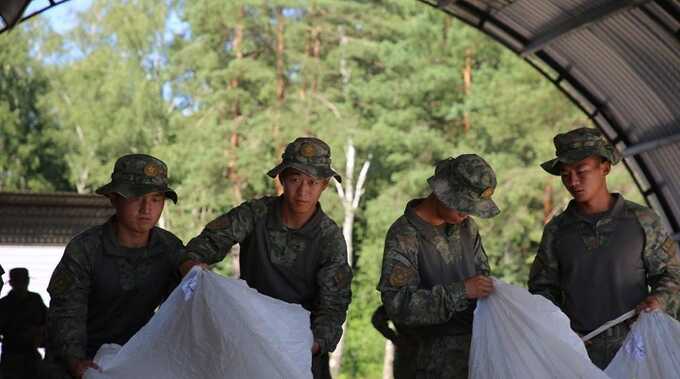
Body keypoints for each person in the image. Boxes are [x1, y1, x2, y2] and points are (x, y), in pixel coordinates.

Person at [180, 137, 352, 379]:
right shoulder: (255, 214)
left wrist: (312, 344)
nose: (303, 191)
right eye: (295, 180)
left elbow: (333, 305)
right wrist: (193, 268)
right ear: (282, 179)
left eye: (312, 182)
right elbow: (203, 247)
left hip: (300, 349)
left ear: (324, 185)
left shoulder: (329, 237)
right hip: (248, 338)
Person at [529, 127, 680, 369]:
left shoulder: (642, 220)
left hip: (636, 352)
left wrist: (658, 301)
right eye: (566, 174)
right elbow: (542, 290)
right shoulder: (557, 230)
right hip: (579, 355)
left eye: (581, 171)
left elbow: (671, 274)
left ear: (605, 167)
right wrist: (560, 330)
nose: (573, 181)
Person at [46, 154, 189, 379]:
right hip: (76, 364)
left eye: (156, 199)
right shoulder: (85, 249)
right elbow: (66, 313)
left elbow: (188, 301)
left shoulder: (170, 248)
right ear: (114, 198)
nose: (146, 209)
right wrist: (76, 363)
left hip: (131, 363)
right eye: (136, 197)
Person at [377, 154, 499, 378]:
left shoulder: (466, 228)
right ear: (442, 192)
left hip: (472, 360)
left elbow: (483, 280)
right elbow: (398, 305)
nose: (465, 214)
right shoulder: (404, 235)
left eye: (471, 209)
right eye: (461, 206)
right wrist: (461, 291)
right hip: (424, 365)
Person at [0, 268, 48, 379]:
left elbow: (48, 321)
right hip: (11, 357)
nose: (21, 285)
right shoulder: (4, 304)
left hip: (31, 355)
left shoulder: (35, 300)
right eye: (18, 282)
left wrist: (39, 333)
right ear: (12, 283)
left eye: (23, 281)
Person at [371, 305, 416, 379]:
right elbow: (377, 319)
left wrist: (396, 339)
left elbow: (377, 319)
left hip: (409, 352)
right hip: (409, 352)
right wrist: (397, 339)